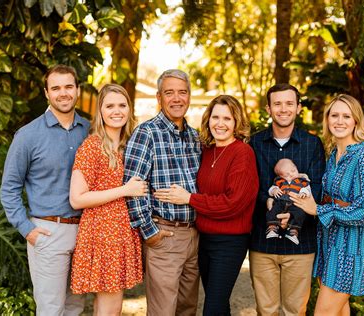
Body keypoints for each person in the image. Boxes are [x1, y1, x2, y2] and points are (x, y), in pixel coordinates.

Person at [154, 95, 259, 315]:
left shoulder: (243, 153)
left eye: (227, 119)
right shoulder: (207, 150)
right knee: (218, 305)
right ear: (208, 120)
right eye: (216, 117)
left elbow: (233, 203)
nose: (220, 124)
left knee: (212, 309)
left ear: (236, 122)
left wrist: (189, 199)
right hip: (204, 239)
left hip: (230, 242)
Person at [0, 64, 88, 315]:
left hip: (85, 231)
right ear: (46, 93)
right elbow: (9, 188)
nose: (63, 93)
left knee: (75, 307)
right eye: (56, 88)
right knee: (50, 308)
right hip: (49, 232)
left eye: (69, 86)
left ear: (77, 90)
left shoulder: (89, 130)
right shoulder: (28, 135)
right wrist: (26, 229)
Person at [290, 94, 364, 315]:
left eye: (346, 116)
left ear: (356, 121)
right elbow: (331, 195)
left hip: (350, 247)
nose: (339, 121)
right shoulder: (333, 155)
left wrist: (319, 210)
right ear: (327, 119)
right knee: (340, 311)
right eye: (335, 115)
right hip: (328, 242)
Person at [123, 69, 201, 316]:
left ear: (189, 96)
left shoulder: (194, 136)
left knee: (187, 308)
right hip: (165, 235)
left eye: (182, 92)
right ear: (159, 97)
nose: (177, 98)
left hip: (195, 236)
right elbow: (133, 186)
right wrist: (149, 232)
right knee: (163, 311)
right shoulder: (146, 133)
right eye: (170, 93)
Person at [68, 84, 147, 315]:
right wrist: (124, 190)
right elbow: (77, 199)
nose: (117, 111)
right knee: (110, 307)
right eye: (110, 105)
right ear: (100, 111)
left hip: (123, 233)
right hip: (102, 233)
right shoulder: (92, 147)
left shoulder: (129, 146)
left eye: (122, 105)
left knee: (110, 306)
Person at [249, 83, 326, 316]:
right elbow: (251, 187)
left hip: (301, 243)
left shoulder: (312, 144)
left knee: (296, 311)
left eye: (289, 103)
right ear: (269, 108)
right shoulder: (253, 143)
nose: (284, 109)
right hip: (263, 243)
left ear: (299, 107)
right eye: (278, 103)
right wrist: (268, 201)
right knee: (266, 311)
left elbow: (317, 188)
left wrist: (292, 212)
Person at [266, 158, 311, 245]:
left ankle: (293, 232)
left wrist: (303, 193)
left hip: (294, 203)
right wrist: (274, 190)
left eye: (293, 171)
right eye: (287, 175)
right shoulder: (279, 181)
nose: (291, 175)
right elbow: (271, 189)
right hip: (281, 202)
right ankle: (272, 228)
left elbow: (307, 189)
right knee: (272, 211)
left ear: (296, 168)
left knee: (300, 214)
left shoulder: (302, 181)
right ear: (281, 176)